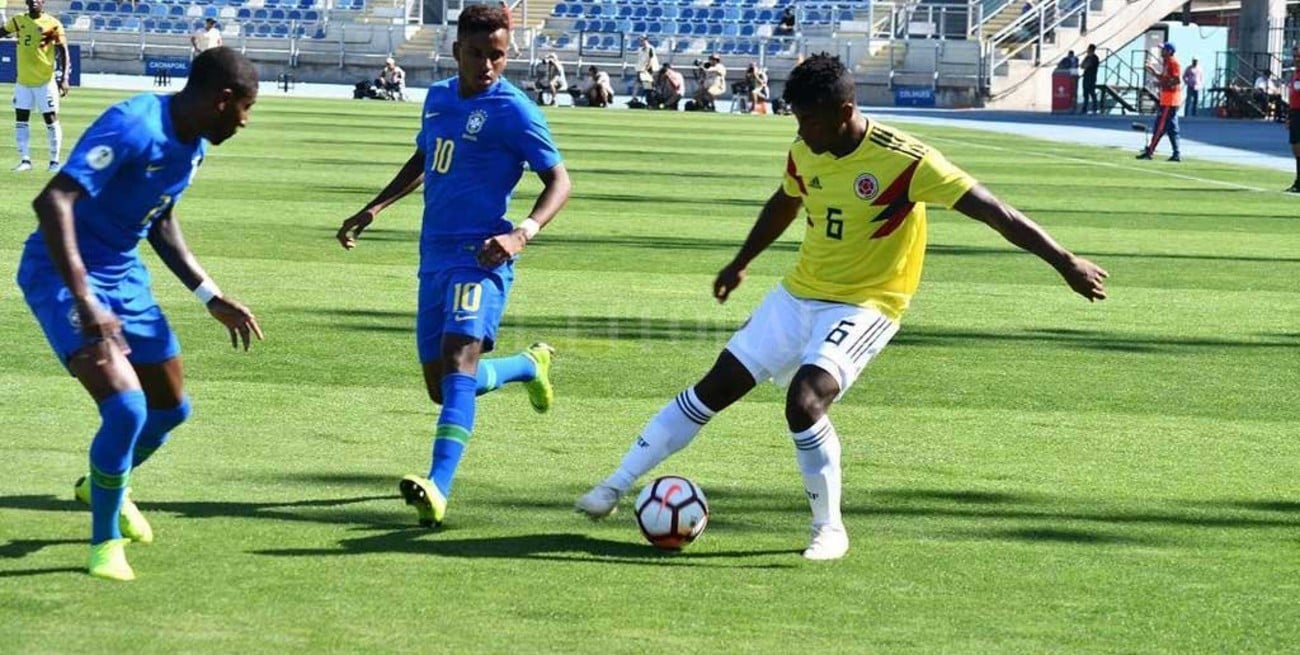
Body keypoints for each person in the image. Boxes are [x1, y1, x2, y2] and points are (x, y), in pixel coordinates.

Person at [574, 53, 1107, 561]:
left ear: (844, 112)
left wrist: (1065, 262)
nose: (800, 131)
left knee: (805, 402)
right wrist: (741, 262)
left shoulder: (908, 161)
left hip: (867, 304)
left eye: (808, 121)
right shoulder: (807, 148)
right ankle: (614, 485)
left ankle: (828, 528)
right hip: (798, 294)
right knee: (715, 387)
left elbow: (995, 211)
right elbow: (786, 200)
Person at [15, 47, 263, 582]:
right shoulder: (133, 125)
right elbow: (53, 202)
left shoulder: (195, 146)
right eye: (246, 108)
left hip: (124, 277)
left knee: (170, 410)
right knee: (126, 409)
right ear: (223, 100)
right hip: (62, 274)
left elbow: (160, 220)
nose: (245, 121)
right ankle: (104, 543)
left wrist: (209, 295)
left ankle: (103, 483)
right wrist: (85, 300)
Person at [335, 3, 571, 529]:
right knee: (441, 386)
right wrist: (375, 207)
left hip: (482, 255)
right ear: (456, 49)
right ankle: (527, 365)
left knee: (459, 357)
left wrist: (520, 234)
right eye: (477, 53)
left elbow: (560, 180)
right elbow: (427, 156)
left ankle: (438, 486)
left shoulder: (515, 110)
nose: (488, 65)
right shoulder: (438, 98)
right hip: (434, 254)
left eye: (498, 55)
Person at [1, 0, 71, 172]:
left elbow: (63, 50)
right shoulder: (18, 20)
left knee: (50, 119)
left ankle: (54, 162)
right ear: (26, 2)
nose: (34, 1)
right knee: (21, 120)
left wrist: (64, 78)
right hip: (23, 82)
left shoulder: (53, 24)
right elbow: (2, 31)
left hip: (44, 81)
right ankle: (25, 160)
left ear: (43, 2)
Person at [1137, 42, 1182, 161]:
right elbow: (1164, 78)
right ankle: (1176, 153)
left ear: (1169, 51)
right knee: (1172, 128)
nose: (1162, 51)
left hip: (1169, 99)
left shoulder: (1173, 63)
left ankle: (1150, 151)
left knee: (1160, 126)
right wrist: (1153, 72)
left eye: (1164, 49)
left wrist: (1163, 83)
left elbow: (1176, 80)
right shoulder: (1166, 63)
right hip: (1167, 98)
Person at [1285, 46, 1300, 192]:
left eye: (1299, 56)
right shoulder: (1294, 74)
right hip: (1295, 113)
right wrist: (1289, 116)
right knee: (1295, 148)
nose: (1296, 59)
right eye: (1295, 56)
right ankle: (1298, 180)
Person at [634, 35, 660, 100]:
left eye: (643, 40)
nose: (641, 42)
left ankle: (651, 99)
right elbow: (640, 60)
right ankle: (634, 98)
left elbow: (651, 59)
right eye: (640, 40)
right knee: (637, 83)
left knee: (649, 85)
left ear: (646, 40)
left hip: (650, 69)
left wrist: (647, 69)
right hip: (642, 69)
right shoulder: (640, 49)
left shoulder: (650, 48)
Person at [1080, 43, 1100, 114]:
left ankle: (1095, 107)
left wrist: (1086, 65)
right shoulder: (1087, 57)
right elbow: (1082, 65)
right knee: (1085, 93)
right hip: (1086, 76)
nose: (1087, 50)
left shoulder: (1095, 58)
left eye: (1088, 49)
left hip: (1091, 77)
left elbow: (1088, 65)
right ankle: (1084, 108)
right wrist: (1085, 64)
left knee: (1092, 92)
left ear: (1091, 50)